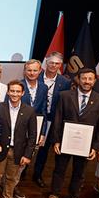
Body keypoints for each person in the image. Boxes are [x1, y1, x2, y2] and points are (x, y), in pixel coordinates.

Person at [46, 67, 99, 198]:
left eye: (90, 79)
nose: (87, 82)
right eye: (84, 78)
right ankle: (54, 194)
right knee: (59, 169)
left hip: (85, 145)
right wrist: (56, 141)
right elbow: (57, 119)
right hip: (64, 142)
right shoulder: (65, 96)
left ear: (94, 81)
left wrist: (96, 147)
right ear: (78, 79)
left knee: (80, 173)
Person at [0, 80, 37, 198]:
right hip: (0, 148)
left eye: (18, 91)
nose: (15, 94)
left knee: (12, 177)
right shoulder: (0, 107)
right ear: (8, 92)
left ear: (23, 93)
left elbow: (32, 135)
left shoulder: (29, 111)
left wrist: (27, 155)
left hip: (18, 151)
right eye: (12, 91)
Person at [33, 53, 71, 189]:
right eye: (51, 63)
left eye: (57, 63)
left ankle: (37, 174)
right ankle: (22, 172)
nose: (54, 66)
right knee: (29, 145)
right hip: (36, 117)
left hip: (53, 120)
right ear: (46, 63)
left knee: (44, 149)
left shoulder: (65, 82)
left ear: (60, 65)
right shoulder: (36, 76)